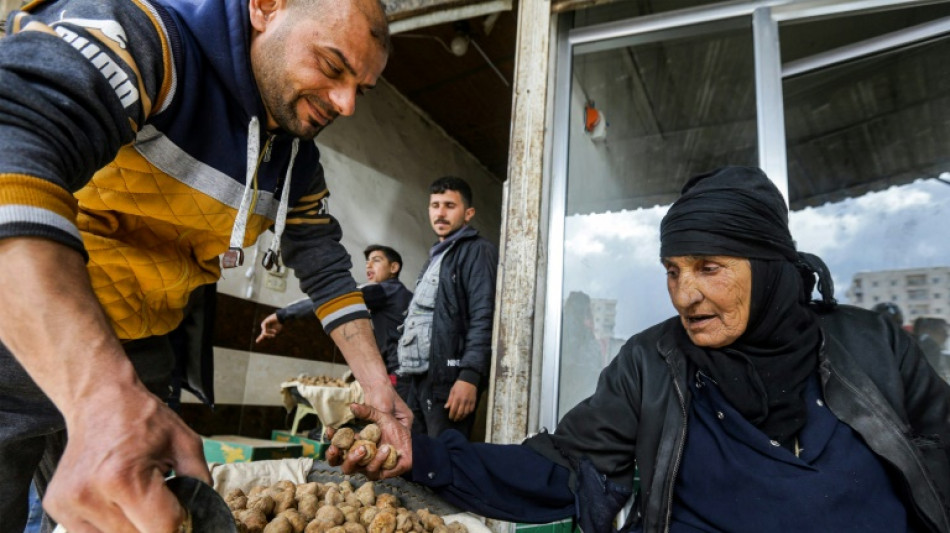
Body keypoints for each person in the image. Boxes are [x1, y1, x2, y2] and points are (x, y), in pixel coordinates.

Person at [331, 166, 950, 532]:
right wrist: (423, 455)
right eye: (672, 271)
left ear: (769, 267)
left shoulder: (871, 346)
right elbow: (562, 465)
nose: (685, 295)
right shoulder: (653, 363)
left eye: (709, 268)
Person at [0, 0, 412, 531]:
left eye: (361, 89)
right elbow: (15, 136)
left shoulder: (296, 161)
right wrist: (100, 396)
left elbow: (325, 266)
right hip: (20, 339)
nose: (346, 103)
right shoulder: (148, 42)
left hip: (143, 355)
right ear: (266, 7)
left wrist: (378, 390)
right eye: (333, 66)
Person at [396, 176, 498, 438]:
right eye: (435, 205)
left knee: (446, 456)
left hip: (449, 381)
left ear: (468, 213)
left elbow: (483, 315)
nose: (440, 213)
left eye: (450, 206)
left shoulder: (478, 250)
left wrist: (469, 376)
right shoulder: (437, 255)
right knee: (417, 455)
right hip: (419, 378)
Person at [257, 244, 413, 383]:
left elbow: (333, 298)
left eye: (376, 260)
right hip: (408, 371)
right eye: (367, 261)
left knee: (394, 406)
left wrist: (282, 315)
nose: (368, 265)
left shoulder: (384, 290)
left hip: (397, 374)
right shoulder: (405, 295)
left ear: (393, 267)